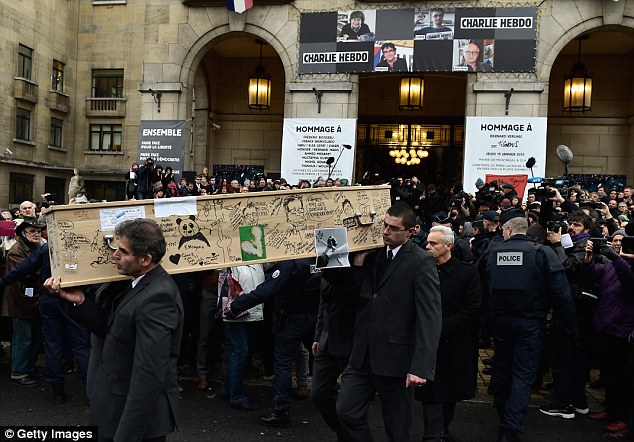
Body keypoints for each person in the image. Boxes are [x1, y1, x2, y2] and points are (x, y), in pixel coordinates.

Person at [44, 219, 183, 441]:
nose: (114, 255)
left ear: (145, 259)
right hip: (112, 406)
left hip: (133, 421)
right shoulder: (133, 283)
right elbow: (114, 331)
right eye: (116, 248)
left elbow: (149, 375)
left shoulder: (159, 297)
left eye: (123, 251)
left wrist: (126, 435)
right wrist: (80, 301)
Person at [336, 202, 442, 442]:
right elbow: (350, 295)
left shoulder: (421, 262)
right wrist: (359, 262)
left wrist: (420, 367)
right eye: (384, 225)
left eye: (393, 228)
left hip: (397, 360)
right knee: (345, 411)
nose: (385, 231)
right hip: (362, 354)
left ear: (411, 231)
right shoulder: (371, 254)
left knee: (398, 429)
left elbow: (430, 317)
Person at [485, 209, 577, 442]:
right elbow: (561, 293)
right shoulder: (542, 252)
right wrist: (571, 326)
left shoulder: (494, 251)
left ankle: (502, 414)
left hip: (500, 322)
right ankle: (510, 427)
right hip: (530, 322)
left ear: (508, 230)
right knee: (523, 375)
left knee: (503, 369)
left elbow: (481, 285)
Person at [225, 258, 321, 428]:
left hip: (291, 319)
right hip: (315, 318)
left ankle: (281, 411)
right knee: (323, 358)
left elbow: (266, 290)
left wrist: (237, 305)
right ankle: (335, 398)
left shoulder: (290, 263)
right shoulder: (319, 257)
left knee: (283, 365)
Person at [416, 226, 480, 441]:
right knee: (431, 394)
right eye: (428, 242)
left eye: (433, 243)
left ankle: (442, 428)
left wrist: (440, 328)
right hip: (427, 343)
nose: (427, 246)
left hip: (453, 342)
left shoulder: (467, 273)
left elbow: (471, 309)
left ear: (448, 246)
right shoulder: (422, 270)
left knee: (450, 392)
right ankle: (433, 434)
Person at [310, 261, 361, 440]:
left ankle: (349, 434)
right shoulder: (328, 264)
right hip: (327, 340)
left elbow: (352, 295)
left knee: (351, 403)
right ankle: (345, 432)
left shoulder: (359, 265)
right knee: (318, 393)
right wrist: (318, 335)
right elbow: (323, 303)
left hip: (350, 341)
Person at [4, 218, 46, 387]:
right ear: (23, 233)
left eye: (38, 231)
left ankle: (28, 367)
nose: (36, 234)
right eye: (32, 231)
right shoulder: (16, 251)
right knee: (23, 339)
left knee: (34, 337)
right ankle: (18, 372)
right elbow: (26, 274)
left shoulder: (35, 247)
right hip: (21, 301)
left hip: (34, 300)